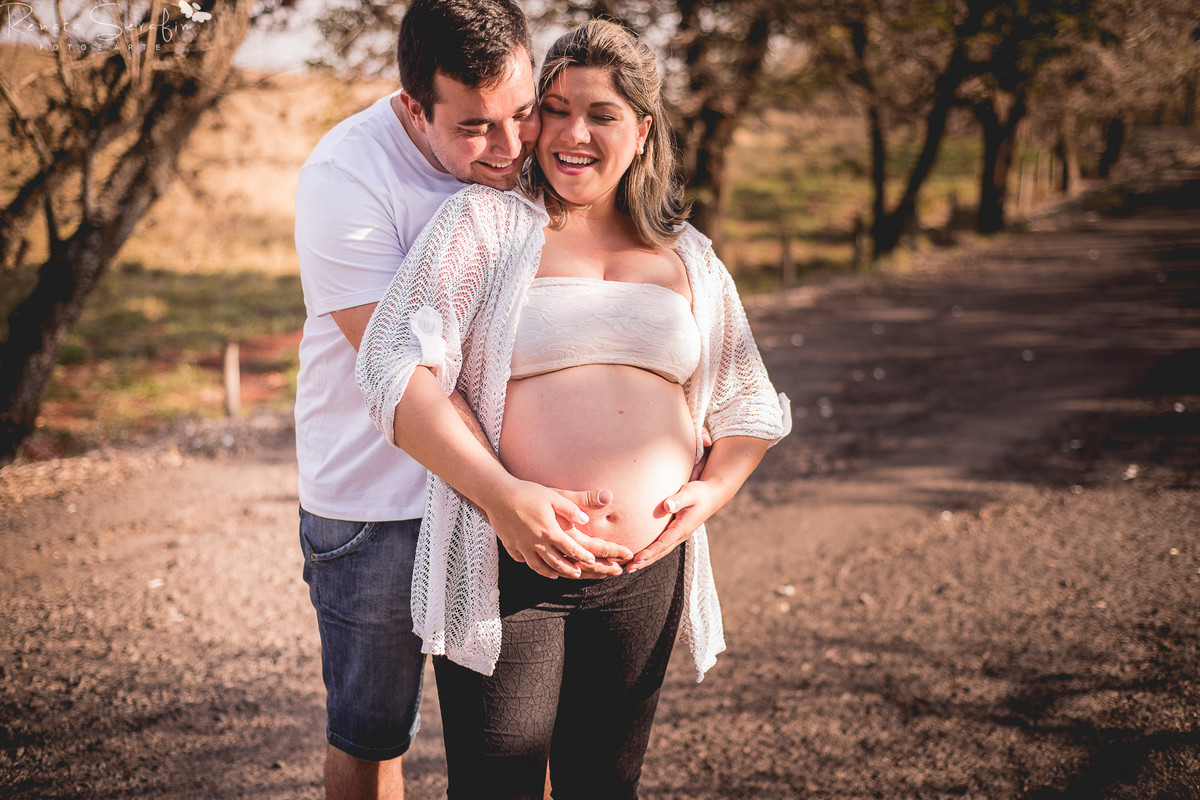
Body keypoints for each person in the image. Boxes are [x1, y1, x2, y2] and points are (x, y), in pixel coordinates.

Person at [355, 19, 792, 799]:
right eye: (554, 110)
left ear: (643, 130)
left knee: (605, 787)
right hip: (511, 563)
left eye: (602, 114)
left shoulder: (689, 254)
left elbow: (747, 403)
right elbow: (394, 369)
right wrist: (504, 499)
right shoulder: (483, 225)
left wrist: (713, 491)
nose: (573, 134)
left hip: (645, 575)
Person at [293, 3, 629, 798]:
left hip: (511, 502)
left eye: (522, 112)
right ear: (415, 109)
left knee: (516, 745)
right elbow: (403, 377)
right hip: (380, 508)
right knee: (373, 736)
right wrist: (505, 492)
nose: (511, 147)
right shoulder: (346, 178)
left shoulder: (540, 156)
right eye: (476, 127)